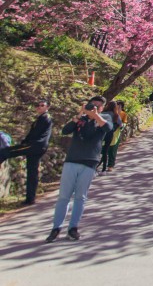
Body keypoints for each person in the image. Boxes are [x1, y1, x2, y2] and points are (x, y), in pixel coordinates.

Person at [46, 95, 113, 242]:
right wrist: (79, 114)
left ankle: (73, 228)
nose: (93, 108)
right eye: (91, 105)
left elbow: (108, 129)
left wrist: (96, 116)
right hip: (72, 160)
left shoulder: (104, 118)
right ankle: (56, 228)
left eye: (97, 106)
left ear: (102, 108)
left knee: (80, 197)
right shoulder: (80, 119)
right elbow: (65, 130)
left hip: (89, 162)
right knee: (63, 196)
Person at [0, 99, 52, 205]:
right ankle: (30, 198)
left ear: (47, 107)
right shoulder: (42, 118)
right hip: (38, 147)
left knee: (8, 151)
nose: (39, 107)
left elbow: (34, 134)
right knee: (32, 172)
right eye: (38, 105)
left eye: (42, 105)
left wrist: (25, 143)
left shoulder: (45, 118)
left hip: (34, 146)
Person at [99, 101, 124, 173]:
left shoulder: (102, 114)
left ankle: (97, 164)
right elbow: (120, 124)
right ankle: (107, 167)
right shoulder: (115, 115)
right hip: (110, 134)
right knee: (109, 150)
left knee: (101, 150)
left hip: (101, 134)